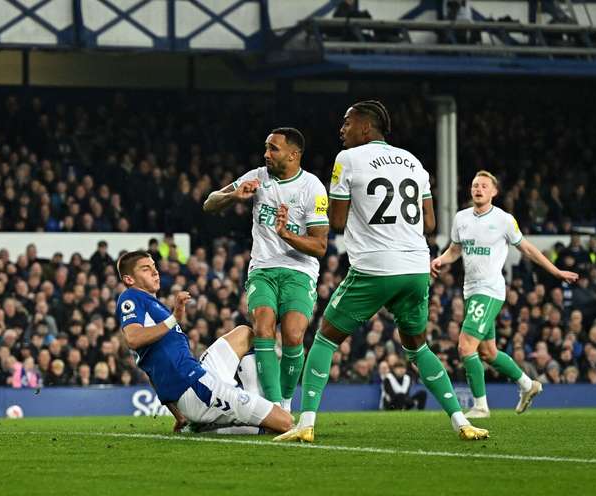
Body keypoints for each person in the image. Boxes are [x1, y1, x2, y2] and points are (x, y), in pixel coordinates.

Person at [275, 100, 487, 443]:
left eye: (346, 123)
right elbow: (430, 223)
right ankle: (462, 422)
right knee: (418, 346)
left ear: (365, 127)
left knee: (325, 338)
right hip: (417, 266)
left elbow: (338, 222)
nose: (341, 130)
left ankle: (306, 423)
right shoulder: (414, 162)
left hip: (375, 265)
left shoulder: (347, 159)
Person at [431, 170, 579, 418]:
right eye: (475, 185)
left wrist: (555, 271)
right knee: (488, 352)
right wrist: (440, 260)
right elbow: (455, 250)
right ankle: (528, 385)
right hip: (471, 290)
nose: (478, 189)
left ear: (494, 192)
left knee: (466, 346)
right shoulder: (461, 218)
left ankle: (480, 406)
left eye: (484, 186)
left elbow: (528, 249)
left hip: (490, 290)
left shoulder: (504, 220)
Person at [204, 127, 328, 411]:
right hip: (263, 267)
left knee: (295, 335)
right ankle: (272, 407)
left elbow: (320, 246)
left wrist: (288, 236)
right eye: (266, 147)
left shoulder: (312, 187)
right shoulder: (256, 177)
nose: (266, 154)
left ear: (294, 155)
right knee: (263, 327)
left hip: (299, 270)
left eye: (274, 149)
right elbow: (209, 203)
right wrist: (234, 196)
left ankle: (284, 403)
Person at [116, 251, 294, 435]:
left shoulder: (152, 305)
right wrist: (174, 318)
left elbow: (153, 370)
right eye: (146, 269)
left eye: (154, 267)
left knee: (244, 334)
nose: (155, 272)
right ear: (129, 279)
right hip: (197, 388)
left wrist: (179, 416)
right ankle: (229, 421)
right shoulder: (131, 298)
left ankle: (247, 404)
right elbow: (133, 338)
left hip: (201, 373)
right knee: (284, 422)